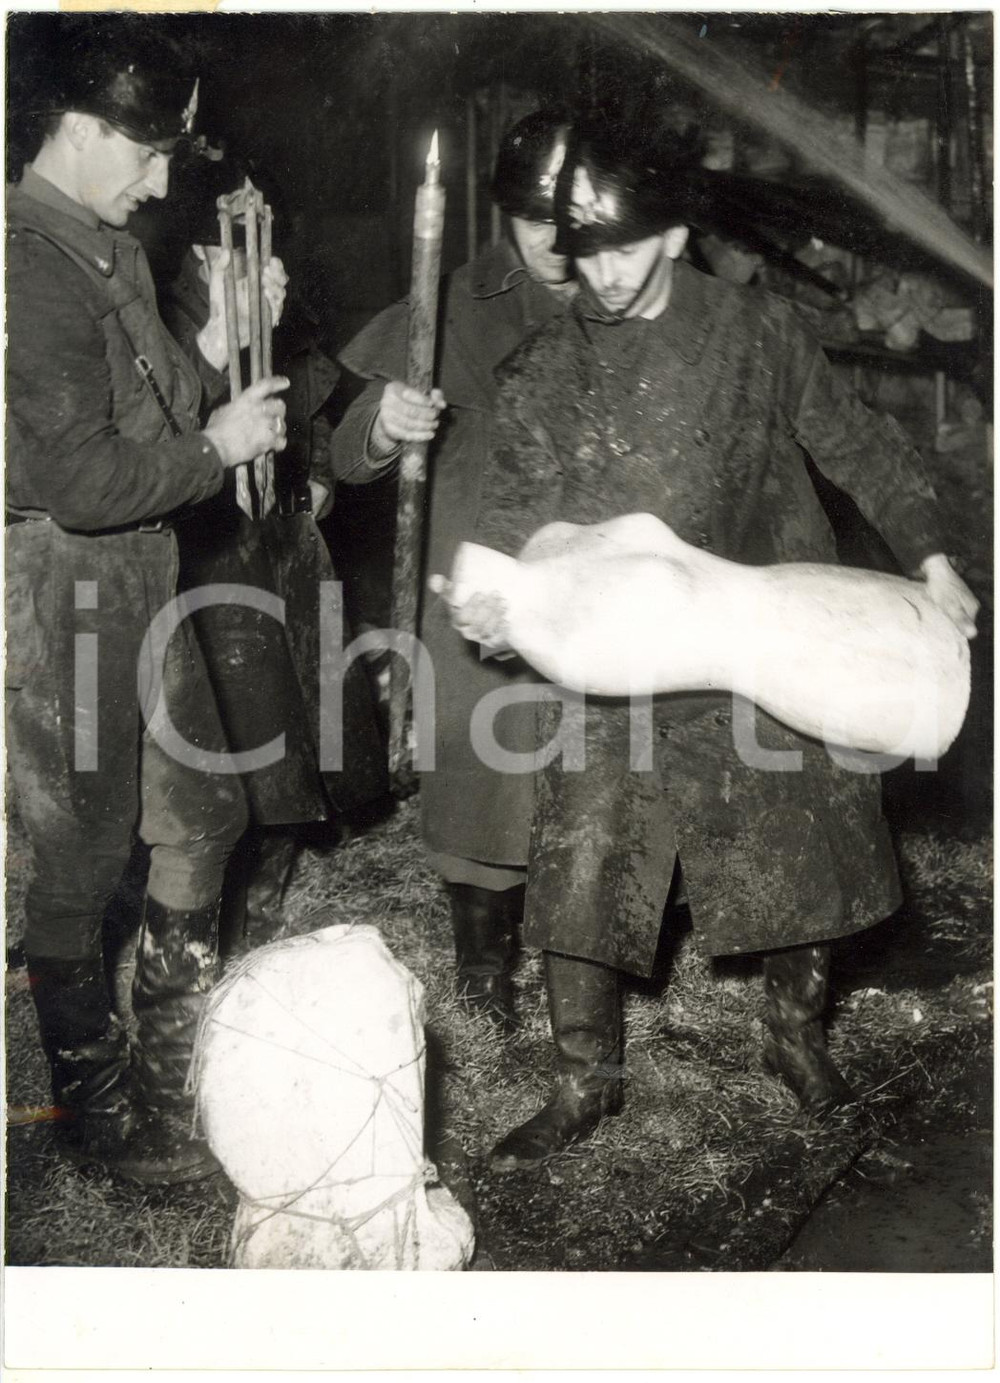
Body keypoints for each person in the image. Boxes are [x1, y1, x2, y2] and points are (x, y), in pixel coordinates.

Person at [472, 119, 979, 1170]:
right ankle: (583, 1083)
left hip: (768, 629)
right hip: (625, 654)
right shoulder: (541, 372)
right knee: (584, 854)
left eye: (623, 247)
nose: (601, 273)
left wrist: (929, 554)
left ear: (671, 233)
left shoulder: (755, 335)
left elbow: (859, 443)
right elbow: (518, 520)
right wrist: (504, 605)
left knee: (809, 841)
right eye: (583, 249)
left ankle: (795, 1038)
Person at [6, 24, 290, 1183]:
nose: (164, 180)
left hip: (136, 572)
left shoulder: (97, 246)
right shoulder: (26, 263)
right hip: (61, 583)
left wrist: (218, 344)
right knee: (76, 855)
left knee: (200, 821)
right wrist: (219, 445)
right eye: (148, 152)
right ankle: (95, 1117)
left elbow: (154, 415)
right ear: (80, 130)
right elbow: (77, 480)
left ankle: (174, 1088)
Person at [329, 110, 576, 1030]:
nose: (555, 240)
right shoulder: (462, 300)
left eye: (572, 216)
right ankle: (483, 959)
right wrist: (386, 425)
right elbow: (349, 450)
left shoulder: (635, 297)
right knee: (482, 764)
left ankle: (591, 957)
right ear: (504, 213)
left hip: (596, 570)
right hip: (478, 572)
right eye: (532, 217)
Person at [156, 149, 388, 956]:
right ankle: (230, 905)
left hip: (288, 543)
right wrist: (229, 337)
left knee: (314, 725)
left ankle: (273, 887)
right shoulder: (168, 322)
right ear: (199, 250)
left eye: (265, 235)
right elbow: (168, 427)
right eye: (232, 241)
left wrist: (318, 474)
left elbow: (313, 406)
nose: (256, 261)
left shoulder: (284, 306)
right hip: (214, 557)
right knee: (245, 732)